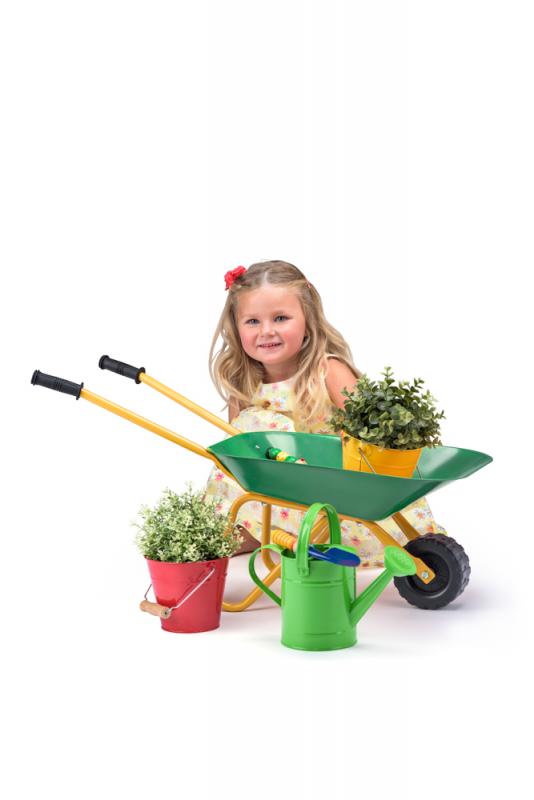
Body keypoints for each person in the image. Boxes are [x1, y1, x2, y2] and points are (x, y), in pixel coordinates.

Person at [205, 260, 444, 564]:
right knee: (242, 441)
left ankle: (308, 537)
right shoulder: (243, 382)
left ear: (308, 318)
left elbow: (369, 431)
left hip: (332, 493)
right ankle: (262, 532)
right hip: (274, 491)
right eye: (252, 321)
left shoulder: (328, 371)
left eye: (281, 318)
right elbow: (239, 457)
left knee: (267, 430)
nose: (267, 331)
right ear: (235, 326)